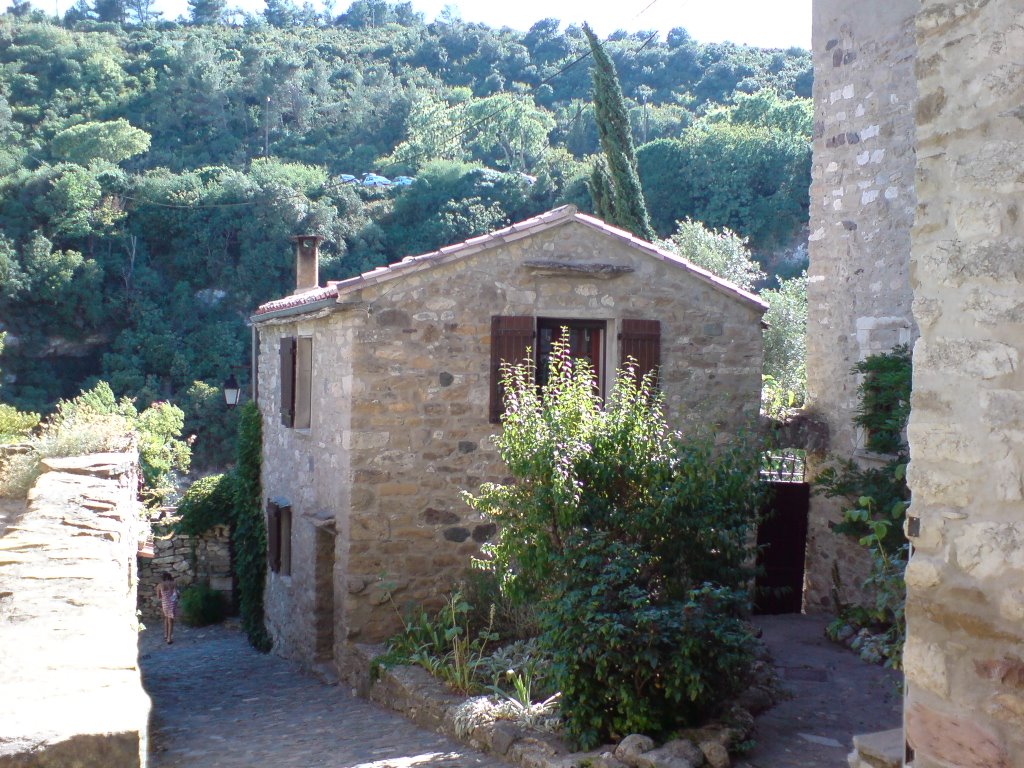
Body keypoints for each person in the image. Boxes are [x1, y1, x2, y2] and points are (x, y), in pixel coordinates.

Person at [155, 572, 179, 645]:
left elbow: (159, 597)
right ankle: (169, 638)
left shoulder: (159, 585)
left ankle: (165, 634)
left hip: (165, 603)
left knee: (166, 618)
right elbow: (176, 594)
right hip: (172, 603)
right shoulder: (173, 584)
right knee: (170, 620)